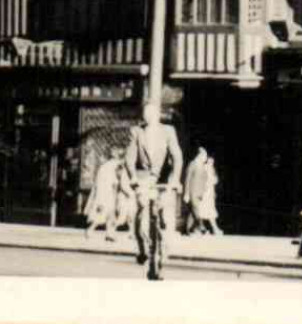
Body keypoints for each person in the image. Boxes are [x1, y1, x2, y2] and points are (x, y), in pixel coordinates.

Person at [125, 99, 184, 267]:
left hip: (163, 180)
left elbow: (177, 157)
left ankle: (165, 248)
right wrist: (133, 179)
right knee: (140, 211)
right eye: (145, 113)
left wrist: (175, 180)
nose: (148, 116)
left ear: (158, 114)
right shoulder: (137, 131)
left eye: (152, 113)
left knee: (167, 214)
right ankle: (143, 248)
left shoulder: (168, 131)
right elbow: (129, 158)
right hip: (143, 179)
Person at [85, 147, 133, 242]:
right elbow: (116, 181)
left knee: (108, 214)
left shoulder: (104, 166)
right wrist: (120, 193)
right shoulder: (117, 165)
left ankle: (109, 234)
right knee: (107, 212)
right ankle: (91, 230)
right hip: (109, 192)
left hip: (103, 192)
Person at [183, 147, 222, 236]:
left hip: (200, 193)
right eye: (204, 155)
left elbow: (208, 180)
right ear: (200, 155)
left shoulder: (202, 166)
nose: (206, 157)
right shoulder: (193, 164)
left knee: (194, 212)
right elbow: (187, 179)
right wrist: (186, 193)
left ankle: (192, 230)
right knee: (196, 211)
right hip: (193, 192)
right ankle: (201, 229)